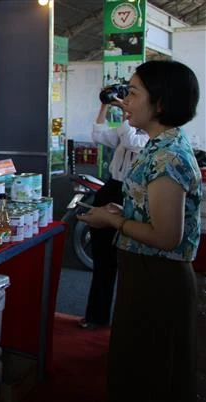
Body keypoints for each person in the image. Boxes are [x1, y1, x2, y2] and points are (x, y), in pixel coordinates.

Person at [78, 60, 201, 402]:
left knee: (152, 375)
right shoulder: (159, 146)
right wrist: (125, 210)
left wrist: (113, 221)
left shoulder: (167, 157)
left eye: (133, 93)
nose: (125, 102)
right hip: (147, 274)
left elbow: (165, 236)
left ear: (160, 103)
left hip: (158, 278)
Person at [79, 97, 149, 329]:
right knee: (103, 259)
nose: (128, 102)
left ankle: (125, 324)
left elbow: (131, 141)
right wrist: (104, 105)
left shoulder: (151, 136)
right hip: (111, 188)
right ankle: (95, 317)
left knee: (129, 263)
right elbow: (98, 135)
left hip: (132, 192)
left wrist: (124, 110)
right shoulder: (127, 129)